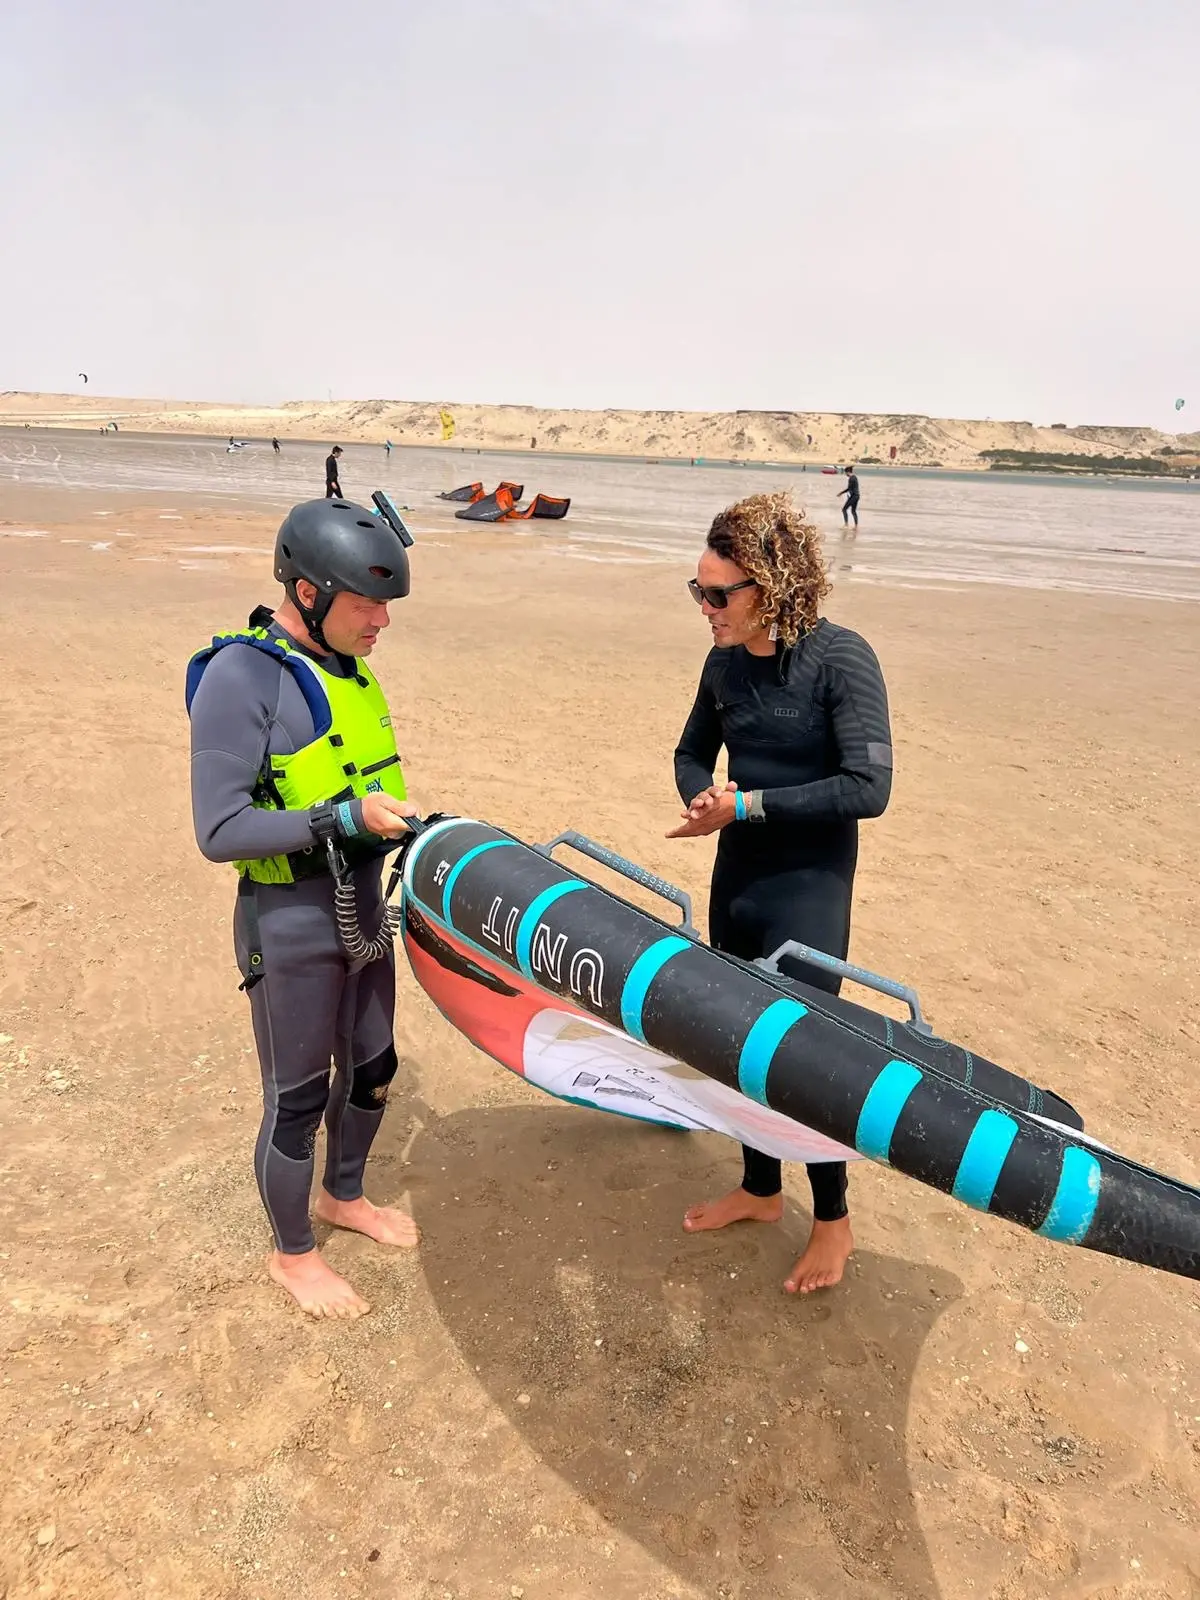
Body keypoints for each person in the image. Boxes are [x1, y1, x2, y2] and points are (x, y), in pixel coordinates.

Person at [186, 498, 423, 1319]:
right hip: (289, 918)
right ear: (311, 593)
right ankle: (292, 1256)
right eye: (368, 603)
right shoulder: (241, 675)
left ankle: (343, 1196)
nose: (382, 621)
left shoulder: (351, 671)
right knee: (295, 1096)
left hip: (362, 909)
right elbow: (218, 829)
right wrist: (341, 820)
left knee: (374, 1068)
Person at [669, 491, 892, 1293]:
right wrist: (702, 800)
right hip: (741, 881)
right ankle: (762, 1189)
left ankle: (832, 1218)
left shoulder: (841, 660)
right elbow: (691, 750)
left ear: (774, 586)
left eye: (720, 593)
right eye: (699, 590)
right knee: (736, 1043)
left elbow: (870, 787)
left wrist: (748, 806)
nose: (706, 607)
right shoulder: (724, 665)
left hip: (809, 887)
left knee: (806, 1058)